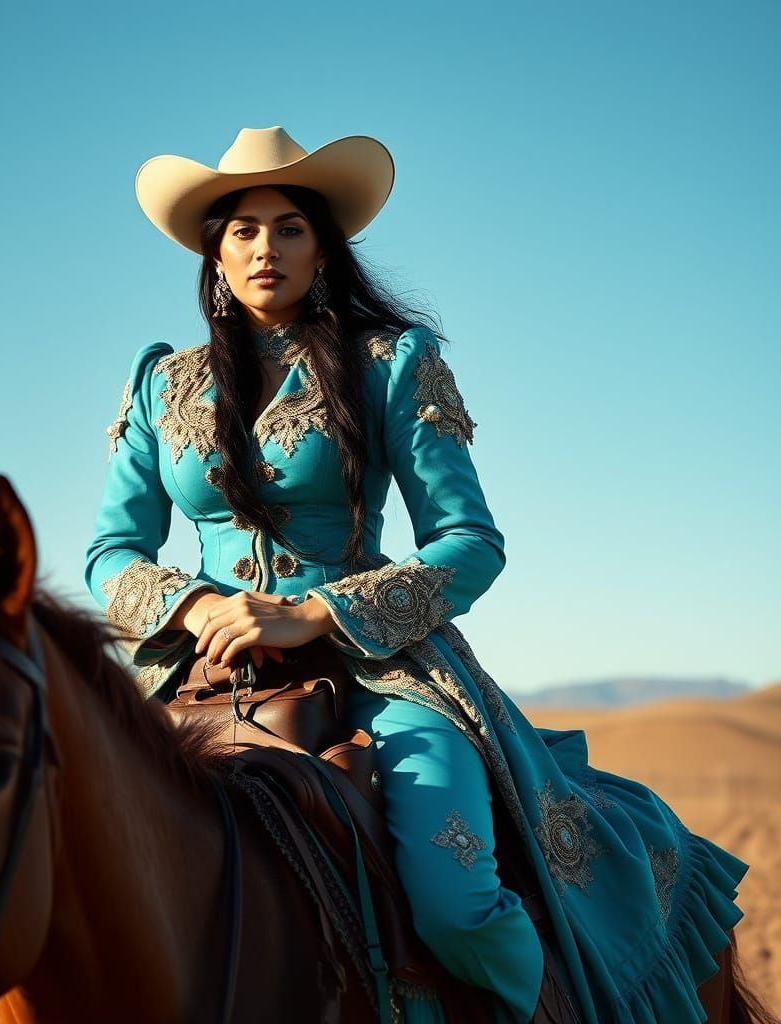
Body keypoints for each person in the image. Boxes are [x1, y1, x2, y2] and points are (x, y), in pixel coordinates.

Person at [84, 126, 748, 1023]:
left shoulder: (393, 361)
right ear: (215, 252)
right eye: (242, 229)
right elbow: (110, 555)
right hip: (194, 664)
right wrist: (197, 602)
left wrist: (316, 613)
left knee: (454, 898)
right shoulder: (163, 383)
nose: (264, 248)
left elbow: (470, 540)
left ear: (323, 248)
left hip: (379, 667)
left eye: (288, 227)